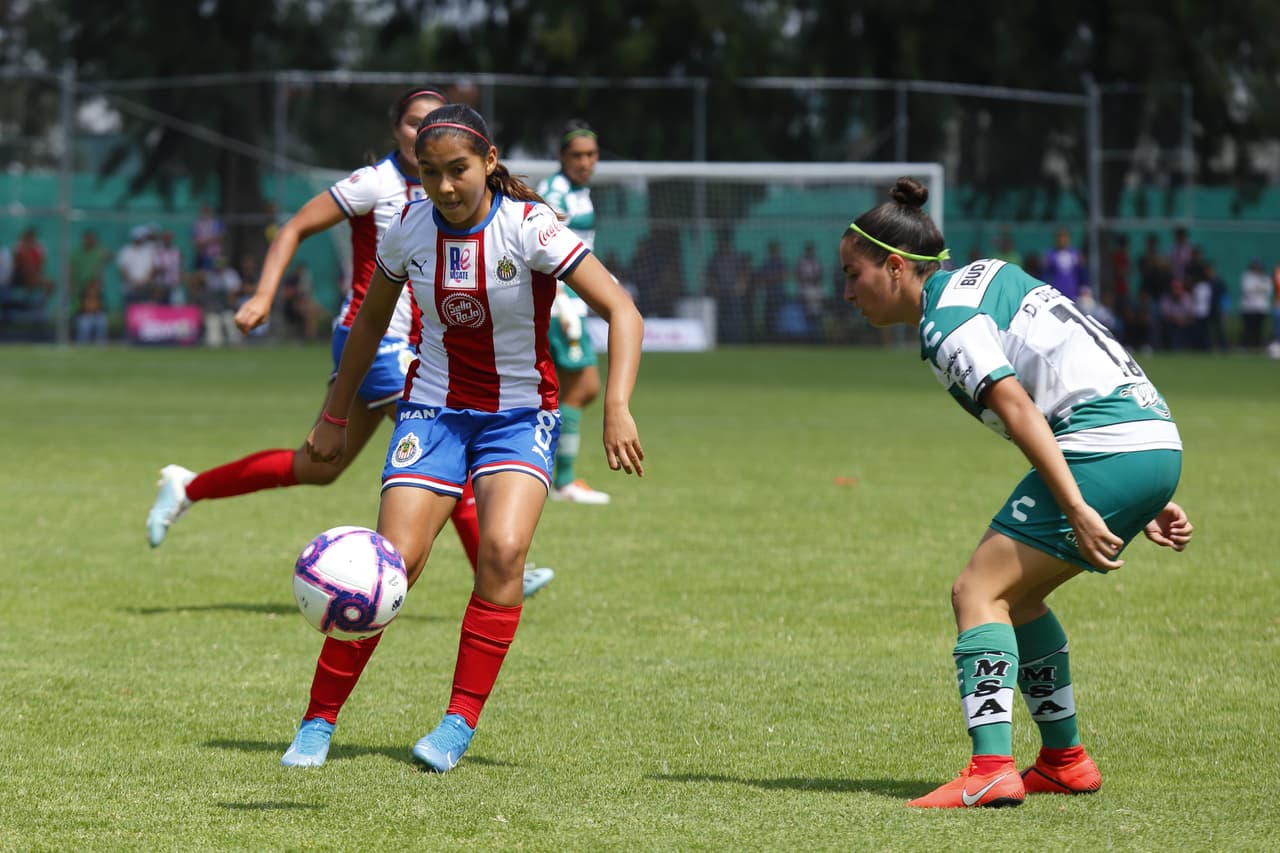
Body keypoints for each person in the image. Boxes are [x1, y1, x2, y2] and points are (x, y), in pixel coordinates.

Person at [283, 103, 644, 771]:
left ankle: (457, 723)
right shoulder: (408, 226)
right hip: (433, 410)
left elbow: (621, 308)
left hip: (518, 415)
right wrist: (335, 411)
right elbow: (369, 323)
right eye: (430, 172)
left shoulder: (529, 226)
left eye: (458, 170)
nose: (445, 186)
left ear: (489, 161)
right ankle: (317, 722)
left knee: (503, 553)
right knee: (391, 564)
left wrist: (615, 405)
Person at [838, 177, 1192, 809]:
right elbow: (1070, 362)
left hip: (1107, 445)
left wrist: (1083, 502)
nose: (846, 292)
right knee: (1020, 598)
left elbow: (1020, 408)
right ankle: (1064, 761)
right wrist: (1141, 489)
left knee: (978, 591)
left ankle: (990, 769)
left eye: (852, 274)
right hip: (1148, 436)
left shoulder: (947, 322)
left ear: (894, 267)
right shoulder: (986, 276)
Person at [145, 88, 556, 596]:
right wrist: (264, 295)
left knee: (318, 466)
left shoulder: (453, 195)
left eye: (432, 122)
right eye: (413, 122)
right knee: (444, 440)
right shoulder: (375, 183)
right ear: (397, 129)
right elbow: (294, 227)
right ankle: (497, 567)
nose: (422, 131)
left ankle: (188, 486)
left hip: (412, 348)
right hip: (376, 342)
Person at [536, 119, 612, 504]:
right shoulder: (555, 192)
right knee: (580, 387)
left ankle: (553, 477)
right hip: (559, 304)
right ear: (562, 156)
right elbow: (545, 249)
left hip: (572, 302)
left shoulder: (580, 192)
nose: (585, 162)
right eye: (577, 155)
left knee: (573, 389)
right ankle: (560, 480)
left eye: (591, 154)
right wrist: (563, 300)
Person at [1042, 228, 1086, 302]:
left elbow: (1082, 273)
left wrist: (1083, 288)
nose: (1062, 240)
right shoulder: (1050, 254)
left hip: (1073, 292)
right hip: (1056, 292)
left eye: (1064, 237)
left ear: (1069, 238)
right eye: (1059, 237)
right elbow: (1044, 274)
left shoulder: (1076, 254)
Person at [1239, 258, 1271, 349]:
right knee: (1248, 328)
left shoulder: (1265, 277)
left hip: (1261, 307)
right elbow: (1247, 289)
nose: (1257, 269)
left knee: (1259, 329)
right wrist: (1259, 288)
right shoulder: (1247, 276)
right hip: (1248, 308)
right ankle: (1245, 346)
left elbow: (1268, 290)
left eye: (1259, 267)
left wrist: (1256, 288)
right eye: (1255, 267)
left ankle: (1257, 346)